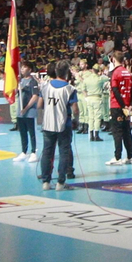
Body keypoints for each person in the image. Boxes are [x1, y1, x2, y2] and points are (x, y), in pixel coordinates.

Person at [37, 60, 78, 190]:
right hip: (63, 125)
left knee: (47, 152)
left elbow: (39, 105)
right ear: (67, 73)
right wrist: (76, 120)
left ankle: (46, 182)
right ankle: (60, 183)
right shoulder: (70, 89)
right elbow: (75, 109)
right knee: (64, 152)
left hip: (48, 124)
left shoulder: (45, 86)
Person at [106, 50, 132, 166]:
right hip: (127, 107)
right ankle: (130, 157)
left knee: (117, 132)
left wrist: (122, 106)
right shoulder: (127, 72)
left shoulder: (115, 73)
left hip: (117, 106)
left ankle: (117, 157)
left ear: (113, 59)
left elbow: (115, 90)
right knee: (127, 131)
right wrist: (130, 105)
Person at [14, 60, 39, 163]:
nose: (22, 69)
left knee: (32, 132)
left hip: (29, 112)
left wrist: (26, 108)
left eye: (24, 67)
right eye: (22, 67)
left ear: (29, 69)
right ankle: (24, 152)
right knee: (23, 132)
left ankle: (33, 152)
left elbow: (35, 96)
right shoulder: (20, 81)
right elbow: (16, 93)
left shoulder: (33, 81)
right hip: (20, 112)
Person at [77, 59, 107, 142]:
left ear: (92, 70)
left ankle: (90, 135)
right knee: (97, 117)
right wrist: (101, 74)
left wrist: (86, 97)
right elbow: (107, 78)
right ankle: (96, 135)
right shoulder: (100, 79)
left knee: (90, 117)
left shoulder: (87, 79)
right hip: (97, 98)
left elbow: (83, 89)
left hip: (89, 98)